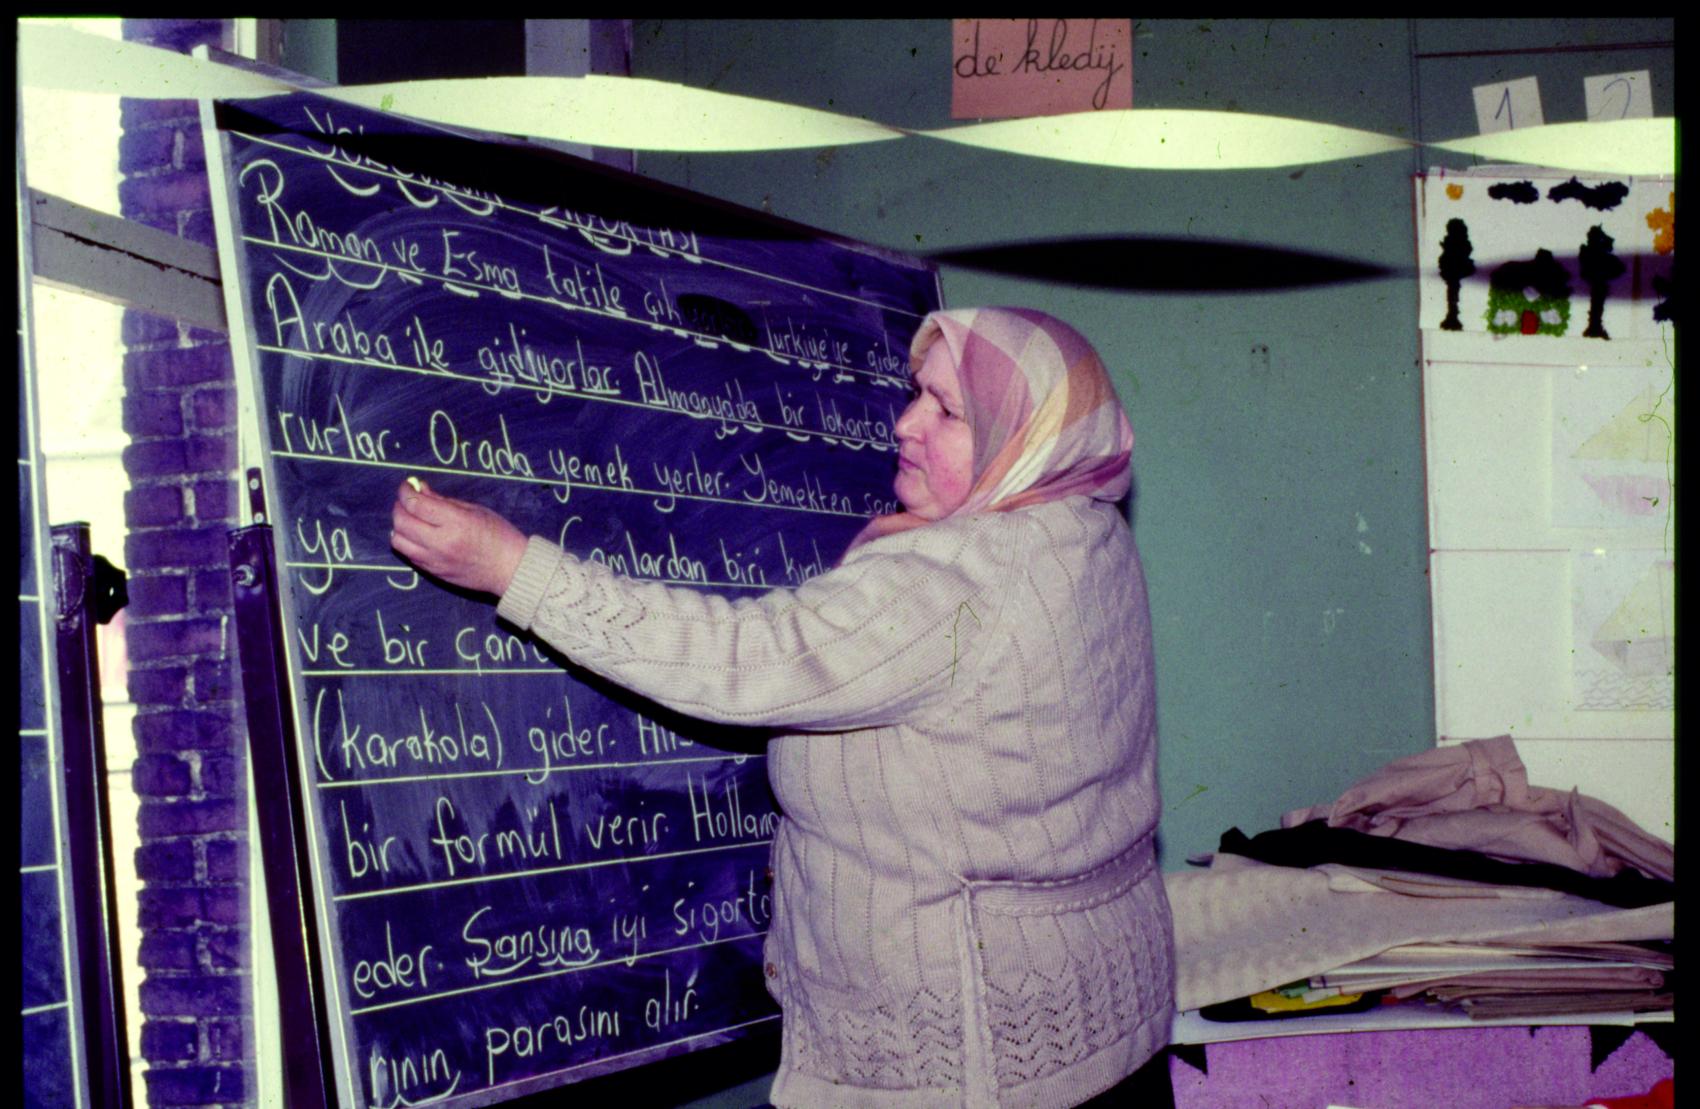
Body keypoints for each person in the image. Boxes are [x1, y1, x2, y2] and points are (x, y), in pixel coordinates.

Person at [390, 307, 1175, 1108]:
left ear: (1021, 438)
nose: (905, 424)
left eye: (947, 410)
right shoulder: (1085, 535)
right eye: (916, 393)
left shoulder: (962, 579)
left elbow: (737, 657)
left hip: (979, 1071)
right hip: (1109, 1017)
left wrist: (514, 569)